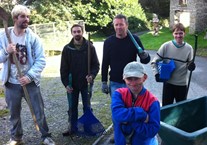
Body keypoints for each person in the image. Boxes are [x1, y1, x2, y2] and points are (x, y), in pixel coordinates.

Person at [0, 5, 55, 145]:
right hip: (11, 83)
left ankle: (45, 136)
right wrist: (6, 51)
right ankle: (16, 138)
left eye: (28, 16)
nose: (27, 19)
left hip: (30, 82)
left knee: (39, 111)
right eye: (23, 16)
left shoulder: (33, 37)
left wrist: (29, 76)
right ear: (14, 19)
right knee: (14, 114)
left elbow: (41, 60)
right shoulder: (4, 36)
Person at [101, 14, 150, 143]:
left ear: (126, 25)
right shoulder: (108, 42)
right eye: (116, 24)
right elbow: (105, 62)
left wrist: (144, 55)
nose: (118, 27)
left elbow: (145, 61)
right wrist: (104, 81)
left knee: (133, 109)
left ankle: (133, 133)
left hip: (133, 83)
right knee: (117, 111)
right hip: (116, 82)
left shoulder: (134, 39)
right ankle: (118, 135)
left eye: (121, 24)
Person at [60, 24, 100, 136]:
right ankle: (72, 128)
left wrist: (91, 75)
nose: (77, 33)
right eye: (75, 32)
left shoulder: (90, 47)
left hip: (86, 83)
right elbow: (63, 68)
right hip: (72, 83)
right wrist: (66, 84)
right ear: (72, 33)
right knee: (72, 107)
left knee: (87, 106)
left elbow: (96, 65)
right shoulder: (67, 49)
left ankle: (88, 127)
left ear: (82, 32)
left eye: (79, 31)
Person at [111, 61, 160, 145]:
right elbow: (117, 115)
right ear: (123, 78)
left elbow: (153, 131)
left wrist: (128, 120)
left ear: (144, 77)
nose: (133, 83)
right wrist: (141, 114)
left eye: (136, 78)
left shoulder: (153, 101)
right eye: (129, 78)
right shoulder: (118, 94)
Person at [151, 23, 196, 106]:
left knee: (181, 109)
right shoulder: (166, 46)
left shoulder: (189, 48)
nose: (178, 36)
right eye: (176, 33)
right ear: (173, 34)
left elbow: (190, 64)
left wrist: (191, 66)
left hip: (182, 84)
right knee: (167, 108)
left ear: (184, 34)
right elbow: (154, 61)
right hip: (168, 83)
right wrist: (156, 73)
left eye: (181, 33)